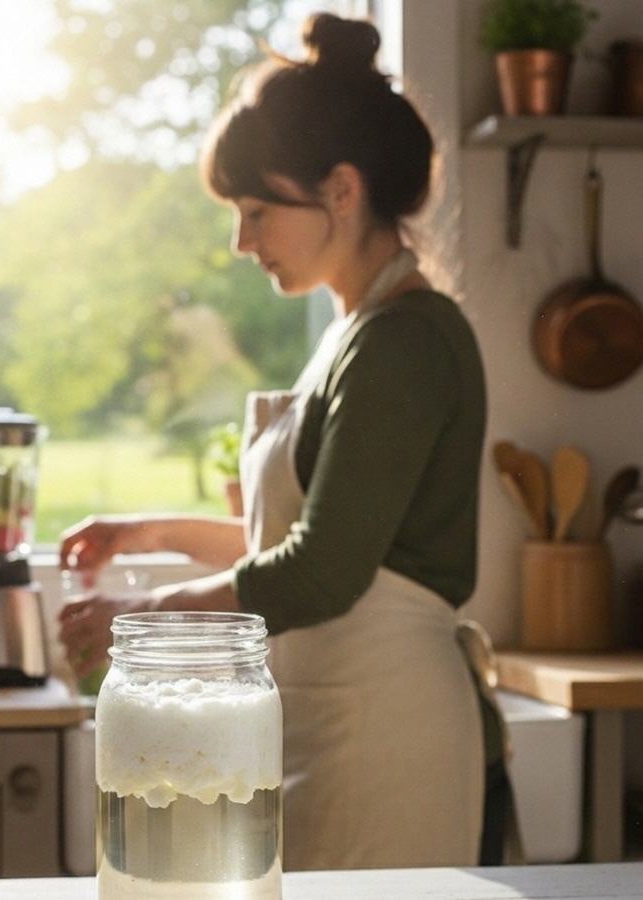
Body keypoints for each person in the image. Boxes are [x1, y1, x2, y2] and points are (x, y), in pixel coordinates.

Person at [59, 12, 499, 871]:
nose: (241, 241)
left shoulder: (403, 341)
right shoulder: (352, 333)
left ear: (341, 190)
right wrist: (149, 533)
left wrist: (143, 622)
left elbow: (321, 572)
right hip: (323, 715)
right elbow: (300, 545)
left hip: (383, 733)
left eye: (257, 210)